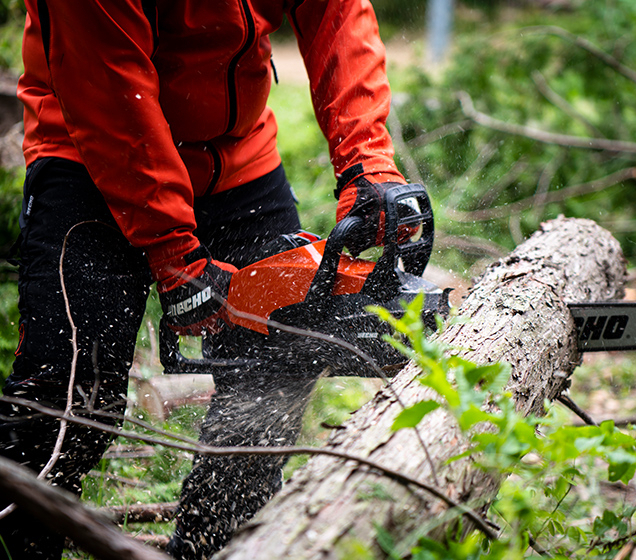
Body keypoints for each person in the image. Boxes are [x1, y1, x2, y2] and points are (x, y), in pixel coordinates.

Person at [0, 1, 421, 559]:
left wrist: (365, 159)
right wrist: (177, 257)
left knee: (276, 366)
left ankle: (215, 549)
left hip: (238, 157)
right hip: (90, 153)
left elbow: (336, 12)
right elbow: (108, 88)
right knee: (67, 398)